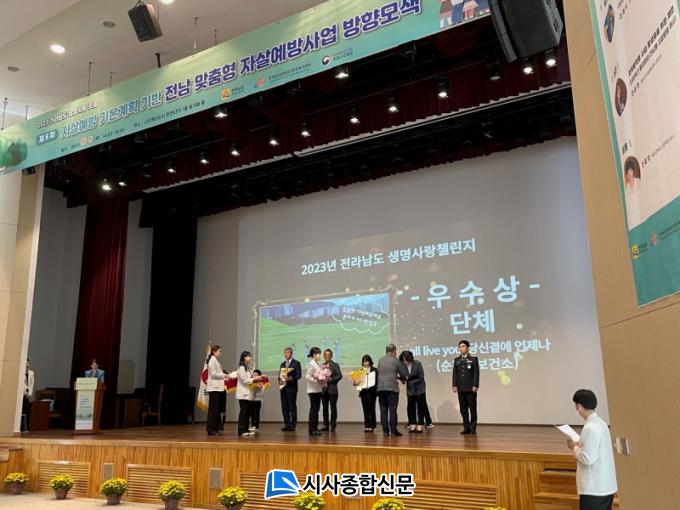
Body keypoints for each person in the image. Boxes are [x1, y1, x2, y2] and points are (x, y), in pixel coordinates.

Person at [568, 389, 618, 510]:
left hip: (594, 490)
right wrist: (580, 443)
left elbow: (587, 458)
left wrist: (574, 446)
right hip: (605, 486)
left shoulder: (590, 427)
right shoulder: (601, 423)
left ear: (579, 407)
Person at [376, 344, 409, 437]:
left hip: (380, 388)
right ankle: (393, 431)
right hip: (392, 388)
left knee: (383, 410)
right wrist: (402, 378)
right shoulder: (396, 360)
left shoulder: (381, 360)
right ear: (394, 351)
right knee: (392, 410)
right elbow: (404, 374)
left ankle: (385, 431)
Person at [452, 340, 479, 434]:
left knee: (472, 409)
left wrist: (475, 385)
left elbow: (476, 373)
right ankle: (466, 428)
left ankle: (473, 428)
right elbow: (455, 373)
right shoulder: (457, 360)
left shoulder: (473, 359)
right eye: (459, 347)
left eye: (463, 346)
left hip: (471, 388)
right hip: (460, 387)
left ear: (468, 348)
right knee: (463, 409)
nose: (461, 348)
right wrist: (454, 385)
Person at [399, 350, 427, 433]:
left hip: (420, 389)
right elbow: (404, 377)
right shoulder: (403, 366)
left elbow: (421, 376)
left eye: (406, 360)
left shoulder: (417, 363)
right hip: (410, 390)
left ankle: (420, 424)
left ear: (410, 358)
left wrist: (411, 380)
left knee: (420, 407)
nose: (405, 362)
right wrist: (403, 380)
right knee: (410, 407)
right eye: (403, 360)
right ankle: (413, 424)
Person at [235, 351, 261, 437]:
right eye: (249, 356)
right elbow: (244, 380)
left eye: (250, 356)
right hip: (243, 394)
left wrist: (258, 378)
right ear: (244, 357)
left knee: (247, 412)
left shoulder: (248, 367)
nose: (250, 358)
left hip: (249, 393)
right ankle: (241, 430)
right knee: (244, 412)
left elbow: (250, 378)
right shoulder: (241, 368)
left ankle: (245, 429)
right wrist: (254, 379)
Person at [206, 345, 230, 436]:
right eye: (219, 351)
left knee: (217, 410)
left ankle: (214, 428)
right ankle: (211, 429)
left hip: (217, 388)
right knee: (213, 410)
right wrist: (224, 375)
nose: (220, 353)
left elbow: (217, 373)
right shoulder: (212, 360)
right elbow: (213, 374)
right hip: (214, 388)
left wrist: (225, 376)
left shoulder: (215, 360)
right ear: (214, 352)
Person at [279, 347, 302, 431]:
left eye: (287, 352)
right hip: (283, 388)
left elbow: (299, 375)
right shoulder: (282, 364)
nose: (286, 354)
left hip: (291, 388)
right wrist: (280, 380)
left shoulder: (296, 363)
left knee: (292, 407)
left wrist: (291, 378)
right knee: (284, 407)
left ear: (291, 353)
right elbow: (279, 375)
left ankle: (293, 425)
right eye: (285, 352)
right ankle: (287, 424)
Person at [321, 349, 343, 433]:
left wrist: (331, 379)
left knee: (333, 408)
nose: (327, 356)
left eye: (328, 355)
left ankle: (333, 425)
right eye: (325, 355)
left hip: (332, 390)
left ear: (331, 356)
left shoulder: (335, 365)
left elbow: (339, 376)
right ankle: (325, 425)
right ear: (324, 356)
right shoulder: (322, 366)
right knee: (325, 408)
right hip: (324, 390)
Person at [305, 347, 324, 436]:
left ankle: (315, 428)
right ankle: (312, 430)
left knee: (316, 410)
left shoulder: (316, 363)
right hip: (313, 391)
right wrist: (318, 381)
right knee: (314, 410)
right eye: (318, 354)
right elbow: (307, 377)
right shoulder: (311, 364)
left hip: (317, 390)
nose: (320, 355)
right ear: (313, 355)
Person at [356, 354, 378, 432]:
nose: (365, 363)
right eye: (364, 362)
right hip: (363, 392)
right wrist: (356, 382)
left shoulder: (374, 370)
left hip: (371, 392)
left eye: (367, 361)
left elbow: (377, 381)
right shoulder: (361, 371)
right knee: (365, 409)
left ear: (370, 361)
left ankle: (372, 426)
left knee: (371, 409)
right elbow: (356, 382)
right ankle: (367, 426)